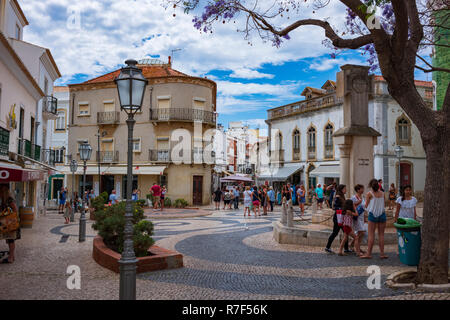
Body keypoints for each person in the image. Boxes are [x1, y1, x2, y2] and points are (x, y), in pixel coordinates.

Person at [360, 179, 388, 259]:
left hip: (372, 215)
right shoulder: (383, 193)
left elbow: (366, 205)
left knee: (371, 235)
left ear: (371, 186)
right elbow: (384, 204)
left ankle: (369, 253)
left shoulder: (369, 194)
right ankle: (382, 254)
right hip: (382, 214)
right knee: (381, 235)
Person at [325, 184, 350, 254]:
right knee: (336, 233)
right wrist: (344, 209)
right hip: (338, 218)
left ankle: (346, 248)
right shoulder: (338, 197)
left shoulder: (342, 196)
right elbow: (335, 207)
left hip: (341, 217)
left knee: (345, 232)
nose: (346, 190)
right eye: (345, 188)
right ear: (342, 189)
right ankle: (327, 247)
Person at [0, 184, 19, 264]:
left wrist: (10, 218)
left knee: (11, 239)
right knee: (9, 239)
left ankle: (10, 257)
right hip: (8, 222)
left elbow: (15, 209)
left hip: (11, 223)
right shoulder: (4, 199)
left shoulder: (9, 199)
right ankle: (12, 256)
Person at [351, 184, 366, 257]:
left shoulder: (363, 197)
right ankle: (357, 249)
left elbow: (364, 207)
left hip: (362, 217)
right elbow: (351, 205)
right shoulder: (354, 197)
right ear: (358, 190)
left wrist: (365, 218)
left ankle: (356, 247)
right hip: (356, 218)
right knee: (361, 232)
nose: (363, 190)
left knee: (361, 233)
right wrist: (358, 203)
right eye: (361, 188)